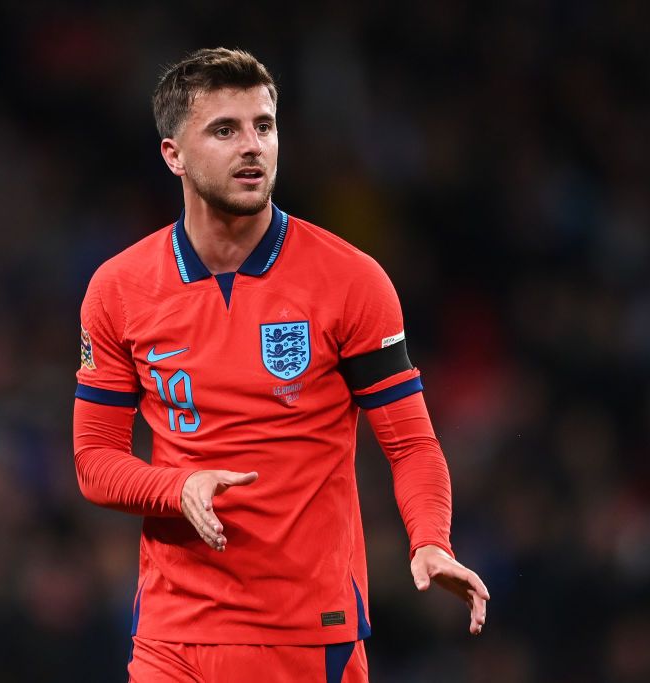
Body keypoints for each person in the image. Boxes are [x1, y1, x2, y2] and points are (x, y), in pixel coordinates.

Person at [72, 47, 488, 683]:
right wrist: (176, 487)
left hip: (308, 636)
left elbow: (411, 446)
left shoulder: (352, 281)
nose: (252, 147)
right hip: (174, 637)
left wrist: (430, 538)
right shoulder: (118, 288)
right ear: (172, 155)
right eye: (224, 129)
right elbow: (94, 462)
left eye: (263, 126)